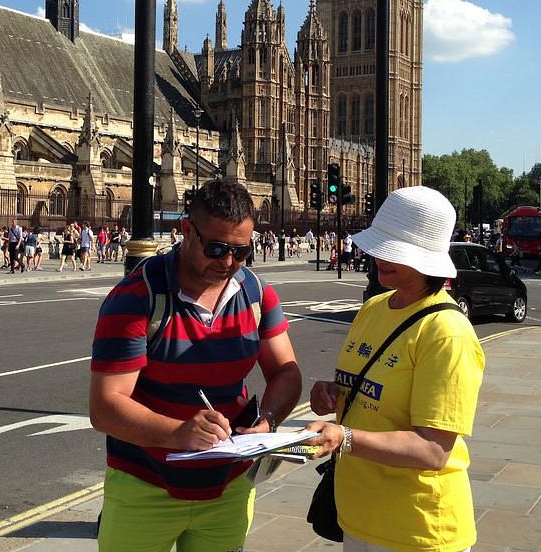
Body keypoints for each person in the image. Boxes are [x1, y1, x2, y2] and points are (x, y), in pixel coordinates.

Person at [89, 178, 302, 552]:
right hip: (145, 487)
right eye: (217, 248)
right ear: (187, 231)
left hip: (228, 488)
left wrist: (267, 420)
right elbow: (106, 406)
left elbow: (286, 371)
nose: (228, 263)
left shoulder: (256, 293)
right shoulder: (137, 297)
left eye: (241, 251)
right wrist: (178, 433)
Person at [305, 186, 485, 552]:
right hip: (358, 515)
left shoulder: (446, 332)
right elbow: (369, 390)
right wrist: (333, 391)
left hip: (416, 528)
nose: (378, 257)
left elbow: (433, 449)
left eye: (394, 251)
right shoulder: (374, 308)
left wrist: (344, 437)